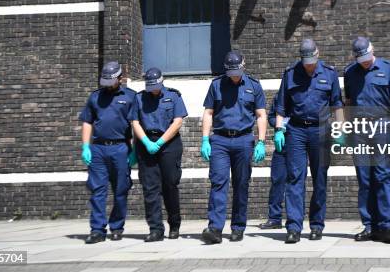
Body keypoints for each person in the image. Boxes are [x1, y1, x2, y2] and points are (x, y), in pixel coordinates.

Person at [274, 39, 343, 243]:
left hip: (321, 130)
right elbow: (281, 106)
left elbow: (337, 104)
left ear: (318, 54)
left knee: (319, 178)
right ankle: (294, 228)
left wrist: (340, 130)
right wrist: (279, 129)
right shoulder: (290, 74)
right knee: (295, 177)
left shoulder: (330, 74)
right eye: (306, 61)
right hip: (295, 130)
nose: (309, 64)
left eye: (312, 60)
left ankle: (316, 225)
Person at [200, 51, 267, 244]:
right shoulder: (216, 85)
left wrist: (261, 142)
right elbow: (209, 112)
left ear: (243, 65)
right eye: (231, 72)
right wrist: (205, 139)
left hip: (244, 140)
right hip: (220, 140)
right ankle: (215, 228)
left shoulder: (254, 86)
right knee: (218, 182)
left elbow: (261, 115)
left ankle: (238, 227)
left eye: (237, 71)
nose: (235, 75)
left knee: (241, 184)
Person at [344, 37, 390, 243]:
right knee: (364, 179)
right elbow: (349, 102)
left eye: (367, 57)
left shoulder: (388, 69)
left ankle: (387, 225)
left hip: (382, 126)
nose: (364, 61)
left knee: (382, 176)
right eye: (360, 58)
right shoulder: (350, 72)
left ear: (373, 50)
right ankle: (369, 226)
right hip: (359, 129)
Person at [79, 61, 135, 244]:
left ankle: (117, 227)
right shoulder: (95, 97)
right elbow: (87, 121)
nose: (108, 86)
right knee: (98, 190)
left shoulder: (131, 97)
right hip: (98, 149)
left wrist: (134, 151)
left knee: (121, 190)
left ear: (120, 78)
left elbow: (136, 125)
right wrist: (85, 146)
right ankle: (97, 230)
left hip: (121, 148)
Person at [130, 67, 187, 242]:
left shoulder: (174, 96)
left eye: (155, 85)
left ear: (161, 82)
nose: (152, 89)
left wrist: (161, 142)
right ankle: (155, 229)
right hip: (146, 143)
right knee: (150, 188)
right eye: (149, 86)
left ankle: (174, 224)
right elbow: (135, 122)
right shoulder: (138, 98)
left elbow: (177, 122)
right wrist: (146, 142)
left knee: (170, 184)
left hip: (169, 143)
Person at [258, 93, 289, 230]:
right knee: (277, 180)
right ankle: (274, 218)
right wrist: (280, 125)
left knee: (295, 182)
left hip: (300, 142)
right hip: (281, 144)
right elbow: (271, 117)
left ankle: (294, 218)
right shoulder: (279, 97)